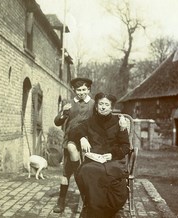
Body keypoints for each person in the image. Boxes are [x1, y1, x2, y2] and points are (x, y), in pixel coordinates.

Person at [68, 92, 131, 218]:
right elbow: (73, 131)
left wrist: (113, 154)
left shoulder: (119, 122)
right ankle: (95, 210)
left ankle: (100, 211)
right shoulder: (90, 122)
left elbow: (125, 146)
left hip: (114, 160)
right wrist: (81, 138)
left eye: (106, 105)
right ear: (96, 106)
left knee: (108, 174)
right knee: (87, 170)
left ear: (111, 107)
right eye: (100, 104)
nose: (103, 107)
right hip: (94, 160)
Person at [53, 77, 95, 213]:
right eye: (78, 90)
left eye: (84, 90)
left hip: (88, 142)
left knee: (89, 170)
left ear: (88, 90)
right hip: (70, 141)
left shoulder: (94, 104)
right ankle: (61, 200)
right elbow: (57, 122)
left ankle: (88, 199)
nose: (81, 93)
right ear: (74, 90)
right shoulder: (69, 104)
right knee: (66, 172)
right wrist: (63, 113)